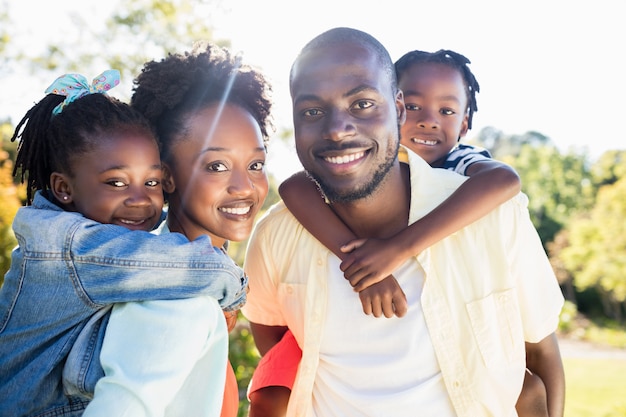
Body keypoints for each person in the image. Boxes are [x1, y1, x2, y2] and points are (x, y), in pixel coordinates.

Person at [241, 27, 565, 417]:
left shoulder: (496, 217)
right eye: (312, 111)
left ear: (396, 110)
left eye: (362, 104)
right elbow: (275, 341)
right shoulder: (277, 234)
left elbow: (540, 352)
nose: (337, 130)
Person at [0, 70, 247, 417]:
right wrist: (233, 286)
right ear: (63, 188)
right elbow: (175, 263)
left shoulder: (92, 236)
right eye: (116, 182)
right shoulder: (69, 247)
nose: (140, 199)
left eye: (151, 181)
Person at [76, 43, 273, 417]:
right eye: (216, 166)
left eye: (256, 163)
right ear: (166, 175)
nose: (245, 187)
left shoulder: (186, 283)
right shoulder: (179, 300)